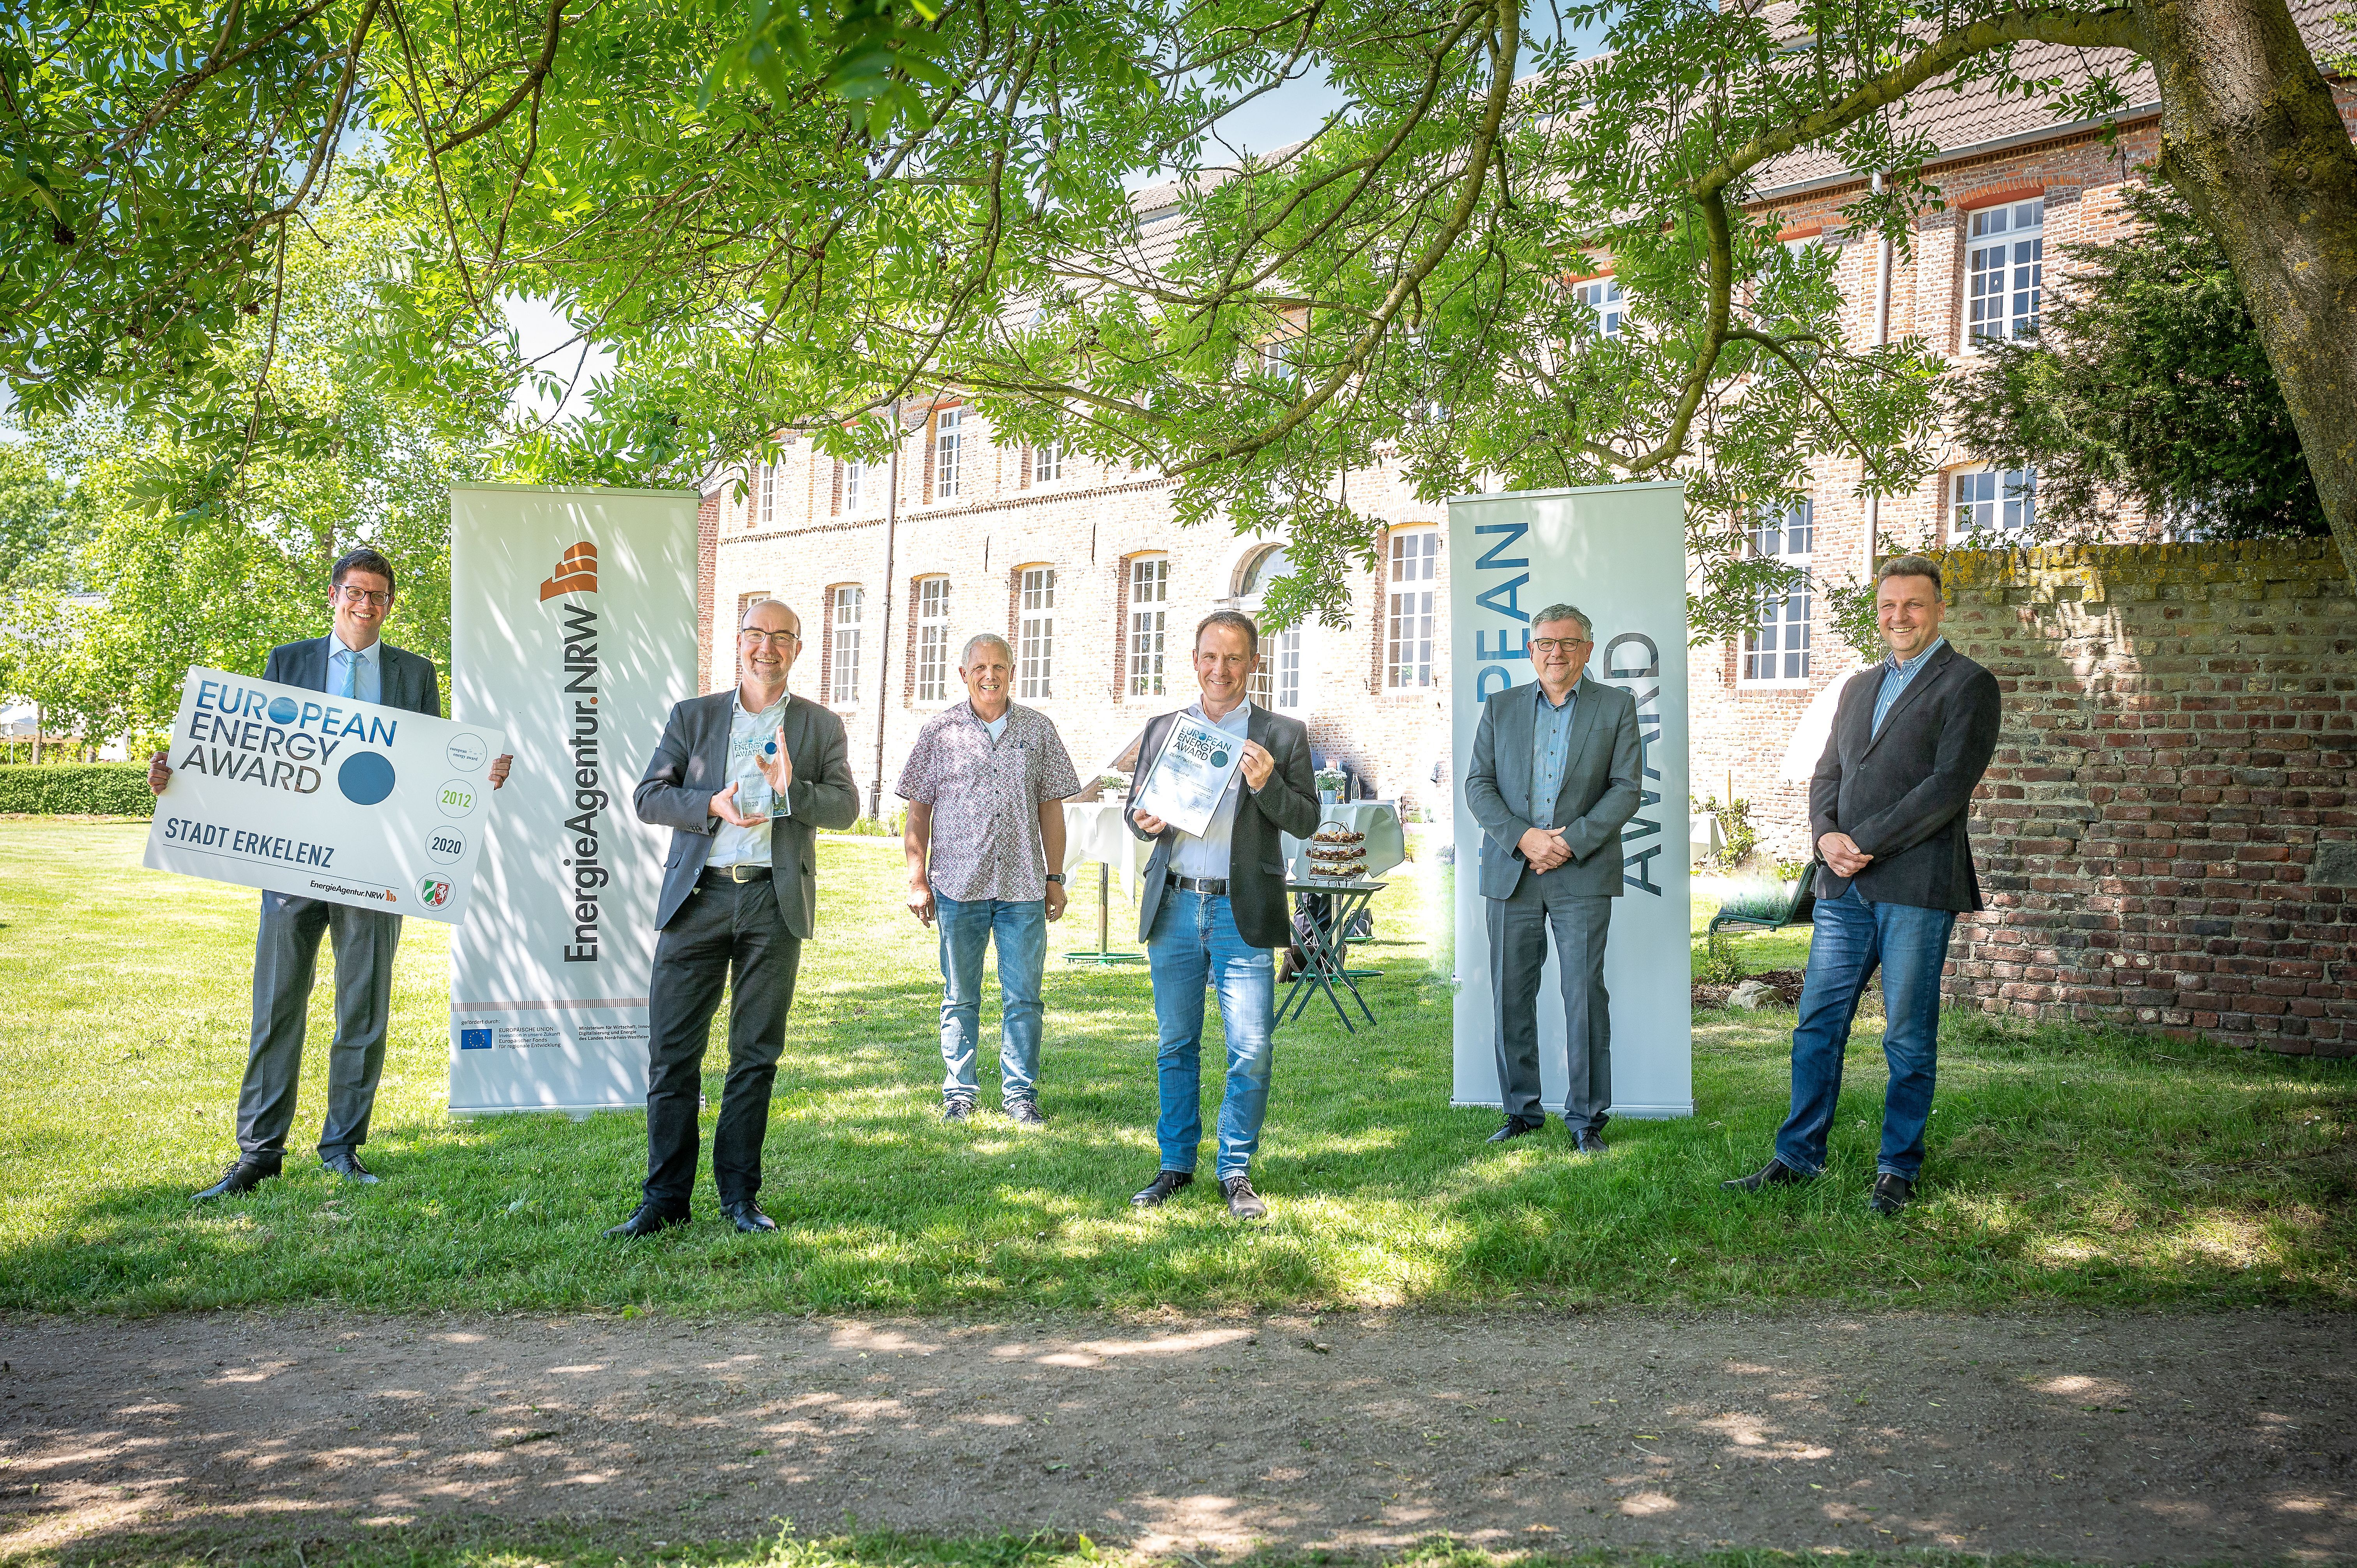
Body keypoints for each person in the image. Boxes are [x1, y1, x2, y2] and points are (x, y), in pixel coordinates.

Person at [155, 547, 514, 1199]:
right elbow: (252, 756)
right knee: (277, 1006)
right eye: (355, 591)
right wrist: (182, 775)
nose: (365, 604)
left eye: (377, 595)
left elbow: (432, 766)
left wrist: (480, 774)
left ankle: (343, 1145)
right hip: (292, 863)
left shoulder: (414, 673)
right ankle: (259, 1152)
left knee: (363, 1012)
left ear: (389, 604)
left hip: (376, 868)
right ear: (333, 594)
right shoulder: (288, 662)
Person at [1723, 554, 2002, 1216]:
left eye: (1912, 604)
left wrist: (1864, 840)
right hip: (1842, 889)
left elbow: (1947, 786)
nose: (1898, 616)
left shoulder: (1968, 683)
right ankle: (1797, 1155)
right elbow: (1828, 774)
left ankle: (1896, 1168)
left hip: (1913, 884)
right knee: (1816, 1024)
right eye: (1887, 605)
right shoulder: (1855, 686)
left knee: (1905, 1035)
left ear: (1938, 608)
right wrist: (1825, 835)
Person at [606, 597, 859, 1238]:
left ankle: (740, 1198)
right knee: (672, 1055)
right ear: (738, 642)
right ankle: (664, 1199)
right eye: (755, 635)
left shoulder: (819, 726)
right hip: (699, 899)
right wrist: (709, 802)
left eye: (781, 637)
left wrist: (789, 791)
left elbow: (845, 808)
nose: (766, 647)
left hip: (774, 902)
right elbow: (648, 795)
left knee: (754, 1055)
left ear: (797, 649)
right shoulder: (692, 717)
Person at [1124, 610, 1320, 1220]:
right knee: (1176, 1043)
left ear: (1254, 664)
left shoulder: (1282, 735)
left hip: (1243, 907)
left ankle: (1235, 1169)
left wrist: (1267, 787)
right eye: (1210, 656)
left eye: (1234, 658)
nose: (1221, 670)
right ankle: (1175, 1166)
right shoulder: (1164, 729)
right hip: (1176, 903)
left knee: (1251, 1047)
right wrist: (1143, 820)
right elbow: (1136, 810)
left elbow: (1307, 821)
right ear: (1194, 659)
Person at [1462, 604, 1642, 1153]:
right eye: (1545, 643)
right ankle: (1520, 1112)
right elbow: (1478, 785)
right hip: (1512, 869)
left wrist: (1568, 842)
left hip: (1581, 870)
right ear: (1530, 649)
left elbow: (1626, 788)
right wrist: (1524, 837)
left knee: (1583, 994)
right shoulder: (1501, 707)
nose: (1556, 653)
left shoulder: (1616, 707)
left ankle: (1587, 1120)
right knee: (1511, 995)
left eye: (1568, 643)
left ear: (1589, 649)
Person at [898, 632, 1081, 1124]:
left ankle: (1020, 1094)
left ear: (1012, 672)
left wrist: (1055, 876)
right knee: (960, 994)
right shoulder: (939, 732)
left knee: (1024, 996)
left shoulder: (1038, 731)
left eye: (999, 666)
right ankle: (959, 1091)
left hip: (1023, 885)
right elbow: (918, 810)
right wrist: (917, 879)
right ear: (963, 674)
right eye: (980, 667)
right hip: (959, 885)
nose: (990, 676)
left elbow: (1052, 810)